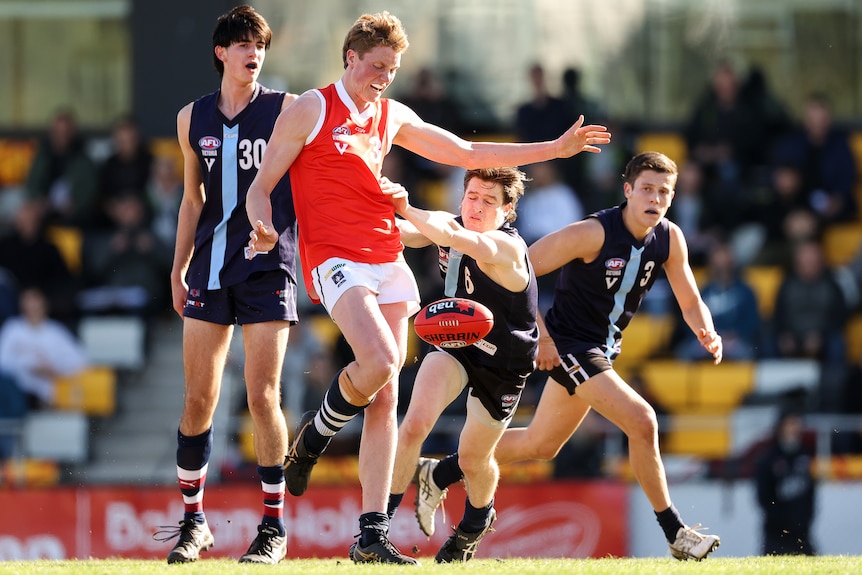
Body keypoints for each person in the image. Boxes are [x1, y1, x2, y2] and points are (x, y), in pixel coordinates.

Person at [245, 11, 610, 565]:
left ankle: (371, 535)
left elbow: (467, 154)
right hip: (335, 256)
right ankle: (313, 438)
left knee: (387, 395)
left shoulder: (390, 115)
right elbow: (261, 186)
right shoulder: (310, 108)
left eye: (393, 68)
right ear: (350, 58)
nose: (385, 76)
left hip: (388, 251)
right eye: (377, 66)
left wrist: (552, 150)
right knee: (382, 361)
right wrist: (262, 224)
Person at [413, 152, 723, 561]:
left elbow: (689, 297)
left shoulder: (669, 238)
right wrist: (542, 336)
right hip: (571, 345)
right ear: (627, 190)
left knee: (542, 445)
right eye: (646, 188)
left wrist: (706, 328)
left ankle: (438, 472)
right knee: (643, 421)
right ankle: (676, 533)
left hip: (602, 350)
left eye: (664, 192)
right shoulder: (592, 233)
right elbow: (523, 271)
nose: (655, 198)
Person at [156, 6, 298, 565]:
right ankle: (194, 523)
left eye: (259, 44)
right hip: (210, 269)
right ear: (221, 52)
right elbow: (193, 199)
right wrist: (177, 266)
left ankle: (273, 527)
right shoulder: (191, 119)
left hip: (267, 267)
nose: (253, 52)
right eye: (242, 43)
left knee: (263, 397)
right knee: (198, 400)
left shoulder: (286, 110)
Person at [385, 167, 537, 563]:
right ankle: (376, 531)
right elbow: (406, 231)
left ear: (508, 211)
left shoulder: (507, 249)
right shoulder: (450, 224)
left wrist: (405, 205)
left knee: (472, 459)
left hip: (504, 360)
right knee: (413, 423)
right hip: (457, 342)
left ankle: (472, 526)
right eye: (471, 196)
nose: (477, 206)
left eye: (489, 201)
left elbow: (454, 238)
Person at [0, 286, 88, 409]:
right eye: (28, 301)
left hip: (50, 394)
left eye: (35, 300)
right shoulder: (12, 329)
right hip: (17, 393)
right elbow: (3, 363)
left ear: (44, 304)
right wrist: (30, 366)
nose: (32, 306)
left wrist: (54, 370)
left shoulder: (56, 331)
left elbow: (81, 362)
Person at [754, 410, 817, 556]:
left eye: (797, 424)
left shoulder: (805, 455)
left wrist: (804, 520)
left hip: (802, 532)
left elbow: (811, 493)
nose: (794, 428)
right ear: (780, 427)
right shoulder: (768, 459)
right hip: (776, 534)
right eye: (790, 424)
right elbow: (763, 497)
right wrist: (781, 521)